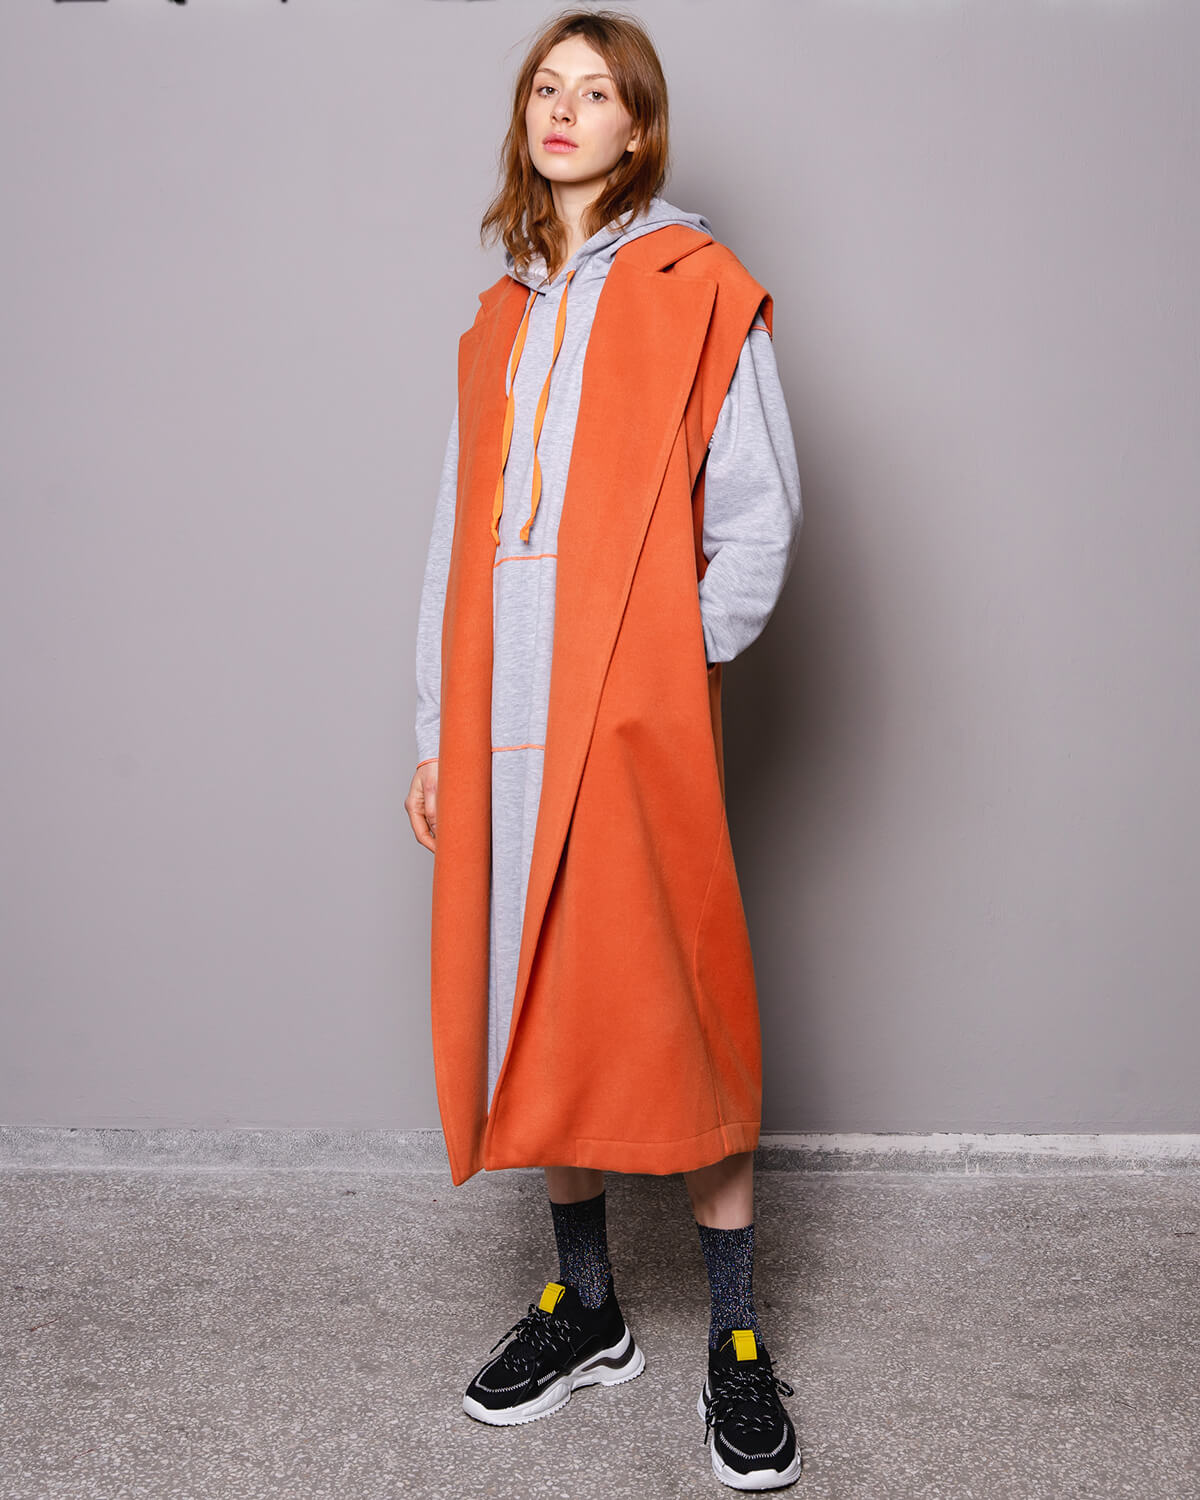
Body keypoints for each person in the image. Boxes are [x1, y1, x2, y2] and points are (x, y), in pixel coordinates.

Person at [405, 8, 803, 1490]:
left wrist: (665, 665)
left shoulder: (700, 285)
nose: (563, 108)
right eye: (544, 86)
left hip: (627, 710)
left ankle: (738, 1339)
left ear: (639, 127)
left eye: (595, 90)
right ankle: (588, 1307)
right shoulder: (499, 316)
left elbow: (759, 513)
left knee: (678, 1005)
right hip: (501, 701)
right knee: (538, 989)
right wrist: (438, 728)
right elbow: (456, 535)